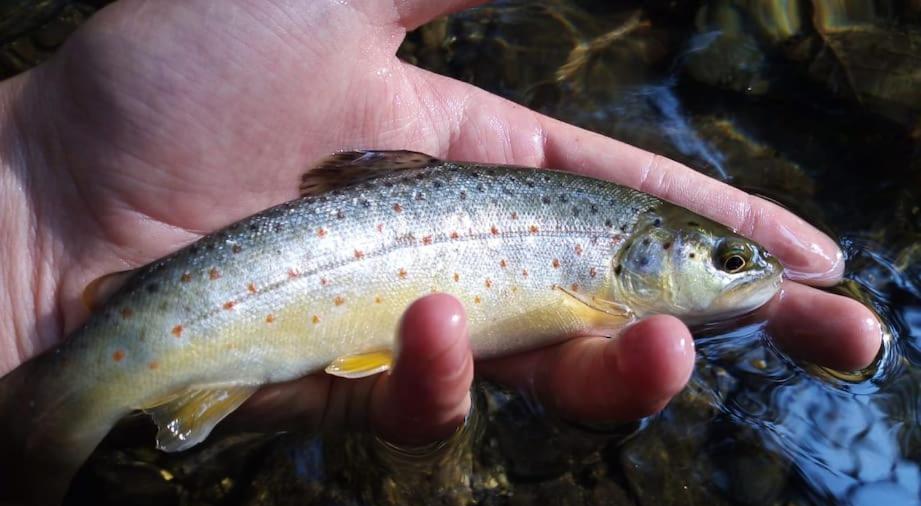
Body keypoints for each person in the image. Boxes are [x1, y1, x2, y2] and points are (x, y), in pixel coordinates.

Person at [0, 0, 880, 455]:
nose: (741, 269)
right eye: (727, 258)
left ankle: (59, 413)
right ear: (645, 256)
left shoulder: (617, 280)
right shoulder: (605, 279)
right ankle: (53, 415)